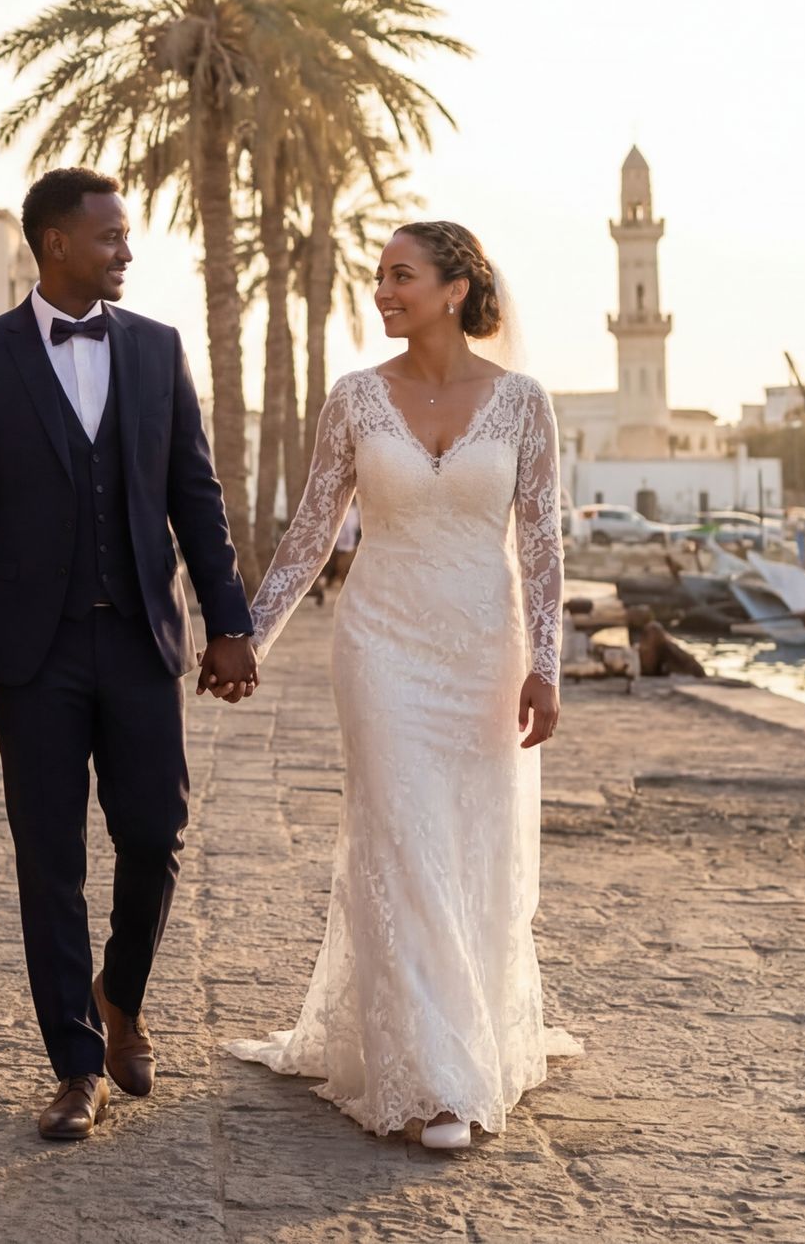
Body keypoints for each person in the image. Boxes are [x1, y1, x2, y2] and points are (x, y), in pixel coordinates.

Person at [225, 219, 581, 1151]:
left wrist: (548, 663)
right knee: (399, 838)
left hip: (480, 652)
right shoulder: (353, 399)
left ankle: (463, 1036)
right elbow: (310, 530)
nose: (382, 292)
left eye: (401, 275)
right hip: (379, 646)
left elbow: (542, 545)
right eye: (379, 277)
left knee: (467, 843)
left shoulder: (522, 403)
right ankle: (434, 1080)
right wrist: (248, 634)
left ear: (455, 289)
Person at [0, 166, 260, 1141]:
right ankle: (77, 1063)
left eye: (127, 235)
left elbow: (195, 498)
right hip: (32, 652)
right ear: (57, 244)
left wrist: (230, 622)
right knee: (49, 857)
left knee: (155, 833)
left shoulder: (158, 352)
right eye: (111, 235)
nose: (126, 250)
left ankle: (122, 994)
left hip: (139, 638)